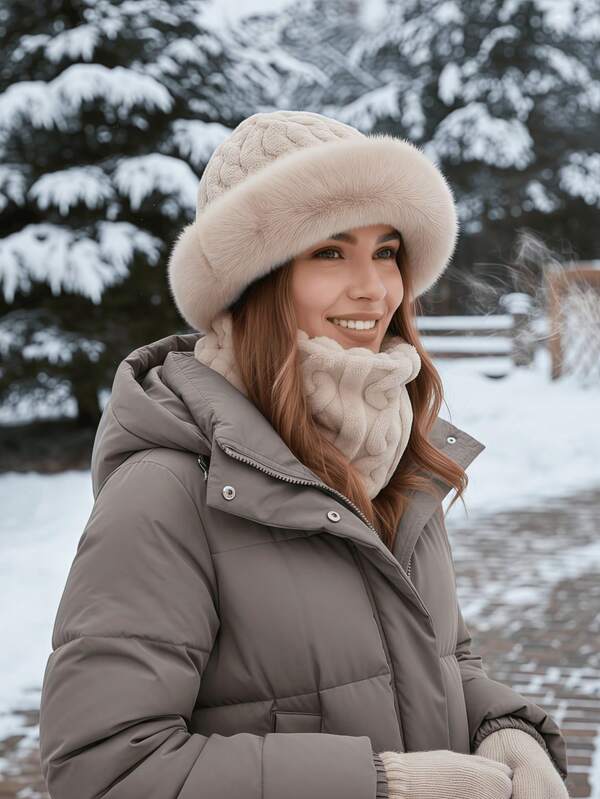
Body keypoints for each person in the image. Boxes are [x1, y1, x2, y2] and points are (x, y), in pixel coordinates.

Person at [38, 111, 569, 799]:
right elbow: (102, 769)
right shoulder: (168, 489)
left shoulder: (391, 453)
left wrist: (503, 728)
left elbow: (430, 659)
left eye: (385, 251)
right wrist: (380, 784)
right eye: (328, 251)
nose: (374, 288)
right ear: (252, 280)